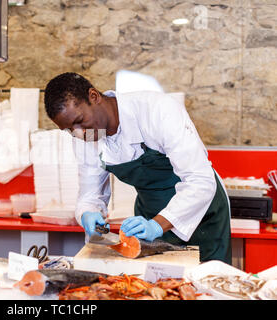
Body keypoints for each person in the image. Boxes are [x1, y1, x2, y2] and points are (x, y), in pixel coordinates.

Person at [44, 72, 232, 264]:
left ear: (94, 96)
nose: (78, 132)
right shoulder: (86, 136)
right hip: (148, 215)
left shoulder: (157, 110)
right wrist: (87, 213)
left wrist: (157, 226)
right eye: (69, 129)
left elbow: (200, 181)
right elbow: (90, 194)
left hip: (201, 214)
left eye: (79, 120)